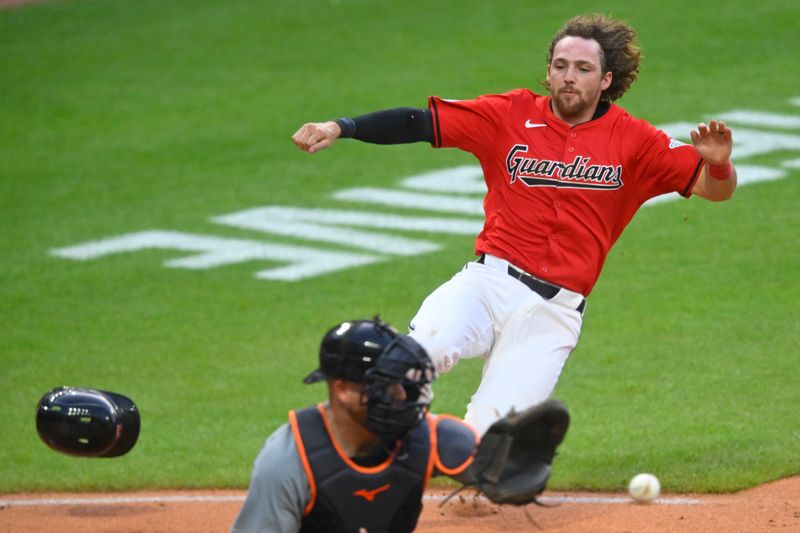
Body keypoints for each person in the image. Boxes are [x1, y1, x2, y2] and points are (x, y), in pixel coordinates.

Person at [291, 14, 737, 436]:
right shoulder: (508, 114)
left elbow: (715, 189)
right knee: (410, 358)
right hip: (487, 285)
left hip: (553, 315)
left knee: (491, 444)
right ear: (547, 72)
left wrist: (718, 166)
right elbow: (420, 123)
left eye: (583, 68)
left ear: (605, 81)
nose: (568, 76)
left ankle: (464, 465)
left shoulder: (637, 142)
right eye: (560, 65)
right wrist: (342, 126)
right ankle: (374, 458)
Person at [230, 318, 480, 533]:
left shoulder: (426, 437)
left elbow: (504, 471)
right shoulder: (287, 460)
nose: (402, 395)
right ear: (342, 390)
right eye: (386, 385)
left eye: (402, 383)